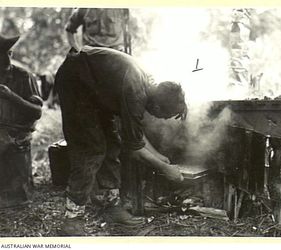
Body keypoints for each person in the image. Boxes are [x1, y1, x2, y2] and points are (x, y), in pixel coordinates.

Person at [55, 45, 187, 236]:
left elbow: (135, 136)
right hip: (75, 81)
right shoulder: (136, 94)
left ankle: (111, 205)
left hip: (95, 89)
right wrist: (164, 169)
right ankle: (72, 218)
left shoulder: (152, 87)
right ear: (157, 108)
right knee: (92, 149)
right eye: (165, 116)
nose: (163, 120)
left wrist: (159, 156)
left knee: (112, 143)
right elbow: (134, 149)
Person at [65, 7, 131, 208]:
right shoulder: (83, 8)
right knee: (92, 138)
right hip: (90, 65)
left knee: (113, 133)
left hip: (116, 64)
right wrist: (77, 50)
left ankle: (113, 196)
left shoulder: (123, 7)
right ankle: (85, 199)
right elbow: (70, 29)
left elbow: (128, 37)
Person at [0, 34, 42, 208]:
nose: (6, 58)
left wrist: (11, 96)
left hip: (17, 132)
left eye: (8, 53)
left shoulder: (24, 76)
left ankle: (14, 196)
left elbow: (37, 112)